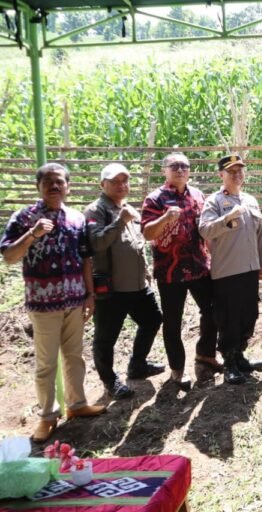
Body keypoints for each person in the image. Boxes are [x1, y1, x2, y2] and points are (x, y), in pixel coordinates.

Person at [1, 163, 105, 443]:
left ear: (68, 187)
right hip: (43, 304)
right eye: (48, 182)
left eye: (60, 182)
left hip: (74, 301)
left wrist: (90, 294)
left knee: (74, 357)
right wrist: (33, 234)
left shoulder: (76, 218)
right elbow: (9, 255)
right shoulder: (24, 217)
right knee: (46, 364)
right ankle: (47, 416)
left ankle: (77, 404)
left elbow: (86, 258)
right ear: (39, 186)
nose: (54, 186)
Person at [84, 163, 164, 399]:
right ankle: (110, 381)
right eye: (115, 181)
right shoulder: (96, 210)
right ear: (102, 184)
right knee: (106, 337)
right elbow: (97, 243)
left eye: (125, 181)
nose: (121, 185)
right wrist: (120, 220)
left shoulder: (127, 208)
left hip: (138, 285)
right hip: (112, 289)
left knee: (152, 320)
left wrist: (146, 272)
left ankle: (137, 365)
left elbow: (137, 244)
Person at [141, 152, 220, 390]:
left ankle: (205, 355)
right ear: (164, 170)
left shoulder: (197, 195)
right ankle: (177, 370)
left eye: (184, 166)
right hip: (170, 272)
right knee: (172, 322)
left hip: (199, 267)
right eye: (174, 166)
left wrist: (212, 254)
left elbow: (205, 229)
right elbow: (147, 234)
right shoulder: (155, 199)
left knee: (213, 310)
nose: (180, 169)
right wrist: (165, 218)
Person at [199, 155, 262, 384]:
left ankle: (239, 356)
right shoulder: (215, 201)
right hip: (227, 271)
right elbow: (205, 231)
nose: (237, 174)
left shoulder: (249, 200)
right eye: (231, 171)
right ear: (221, 175)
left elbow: (259, 235)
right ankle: (228, 362)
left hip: (249, 269)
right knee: (228, 318)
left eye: (240, 170)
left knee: (249, 314)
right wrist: (227, 218)